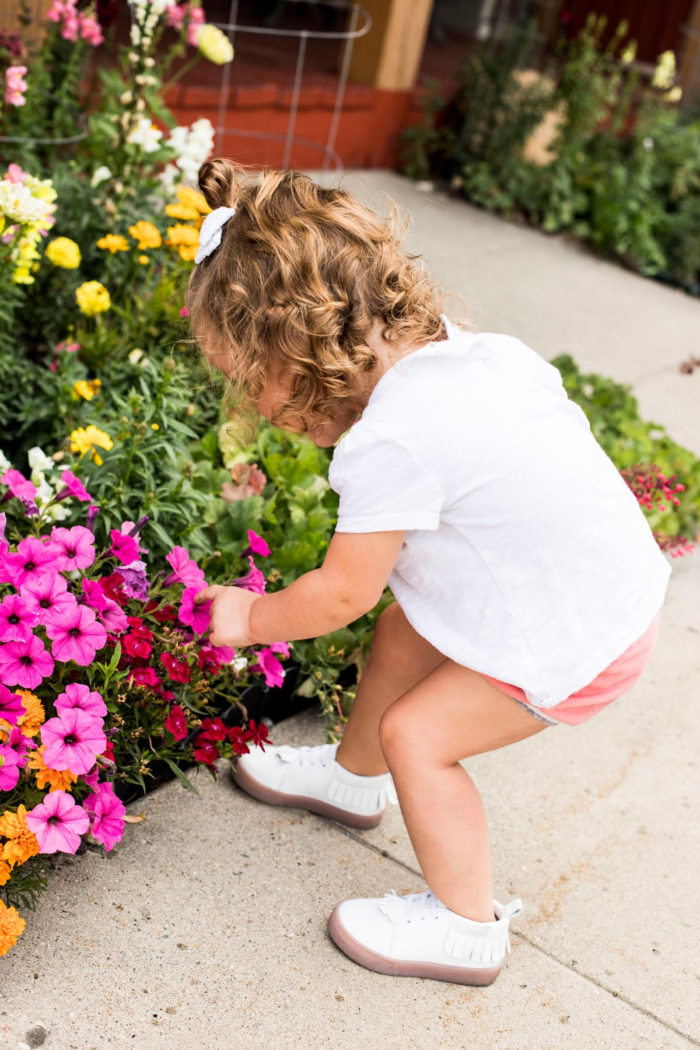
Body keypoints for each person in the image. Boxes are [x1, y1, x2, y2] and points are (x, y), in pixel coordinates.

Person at [188, 159, 670, 986]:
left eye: (246, 380)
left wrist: (248, 616)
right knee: (406, 626)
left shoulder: (394, 439)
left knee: (422, 735)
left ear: (295, 353)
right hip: (593, 588)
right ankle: (352, 778)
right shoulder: (468, 354)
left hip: (575, 638)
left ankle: (466, 923)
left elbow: (341, 592)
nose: (249, 405)